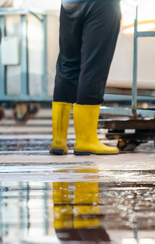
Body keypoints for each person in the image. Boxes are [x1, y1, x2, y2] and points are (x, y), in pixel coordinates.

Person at [50, 0, 121, 156]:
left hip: (70, 4)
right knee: (94, 65)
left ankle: (58, 140)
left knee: (68, 64)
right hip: (102, 4)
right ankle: (86, 140)